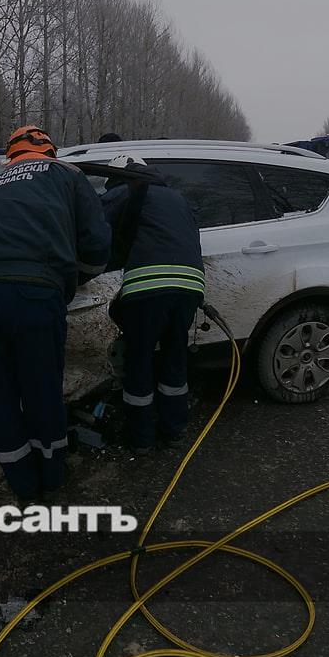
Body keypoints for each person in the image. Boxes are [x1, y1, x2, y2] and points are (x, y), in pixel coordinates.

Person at [0, 126, 110, 501]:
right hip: (34, 291)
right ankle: (52, 476)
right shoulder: (67, 173)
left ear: (11, 155)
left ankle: (22, 484)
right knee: (41, 388)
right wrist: (75, 277)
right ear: (50, 151)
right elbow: (96, 241)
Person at [101, 155, 204, 456]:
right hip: (190, 285)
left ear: (117, 177)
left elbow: (98, 232)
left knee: (139, 360)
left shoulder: (124, 190)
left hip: (148, 286)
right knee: (175, 356)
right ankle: (174, 431)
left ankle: (141, 438)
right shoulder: (177, 197)